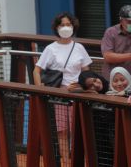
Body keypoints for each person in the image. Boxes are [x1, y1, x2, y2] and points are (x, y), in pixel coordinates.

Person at [33, 12, 92, 165]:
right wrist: (41, 89)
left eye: (68, 25)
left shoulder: (79, 47)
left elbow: (87, 72)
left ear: (73, 27)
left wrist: (83, 85)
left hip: (78, 94)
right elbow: (37, 70)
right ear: (57, 28)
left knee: (78, 130)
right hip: (59, 94)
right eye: (62, 25)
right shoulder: (50, 49)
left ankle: (80, 161)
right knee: (62, 131)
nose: (66, 28)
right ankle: (66, 162)